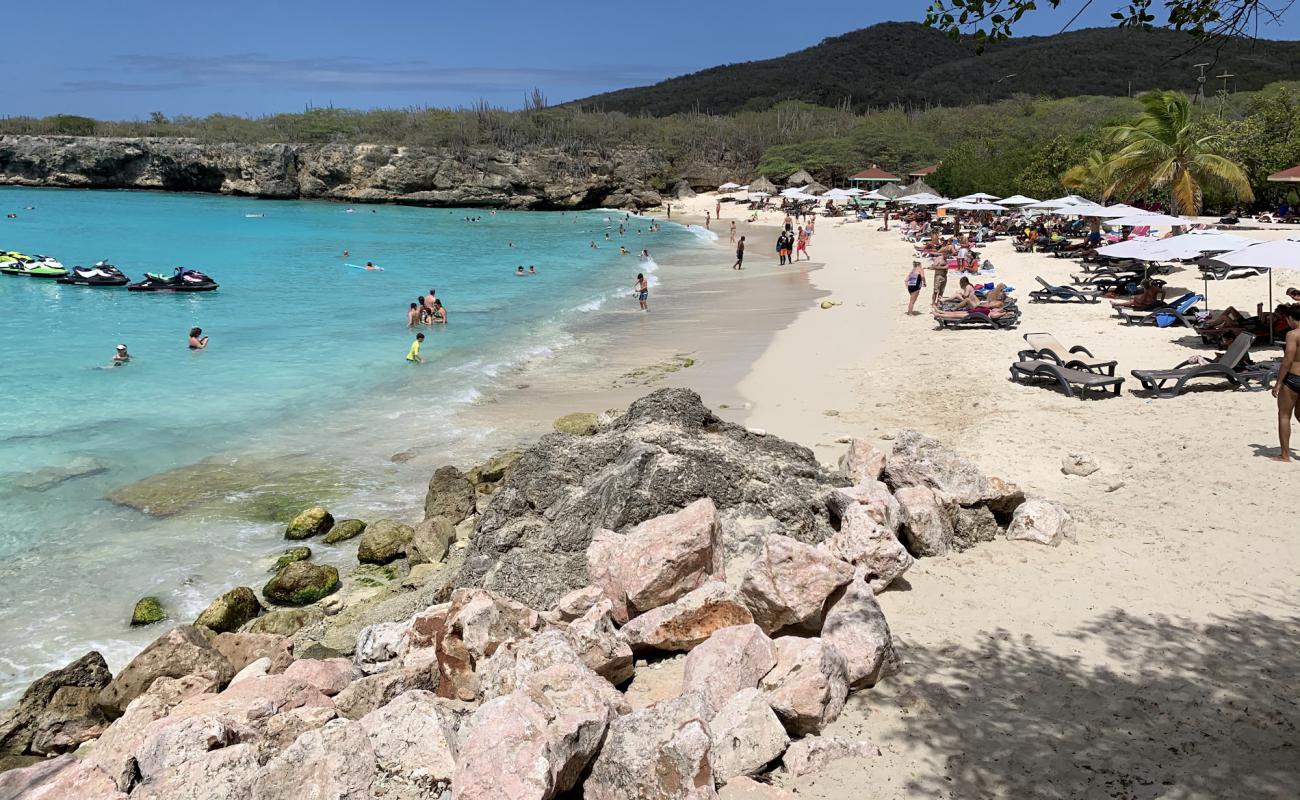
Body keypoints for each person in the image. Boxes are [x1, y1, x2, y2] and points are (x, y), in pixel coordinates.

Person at [1272, 304, 1300, 462]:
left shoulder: (1293, 334)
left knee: (1284, 416)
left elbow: (1288, 359)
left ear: (1291, 319)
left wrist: (1278, 383)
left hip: (1294, 378)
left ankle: (1285, 455)